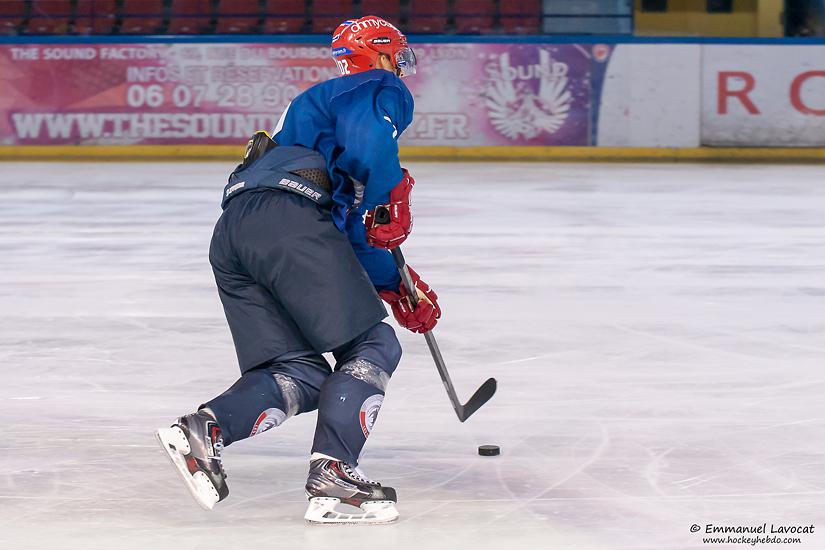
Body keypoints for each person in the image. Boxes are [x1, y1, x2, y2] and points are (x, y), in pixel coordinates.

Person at [156, 16, 440, 525]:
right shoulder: (376, 85)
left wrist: (398, 286)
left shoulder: (308, 121)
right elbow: (369, 148)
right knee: (373, 345)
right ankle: (333, 479)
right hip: (289, 222)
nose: (400, 68)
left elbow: (343, 233)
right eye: (397, 56)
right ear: (380, 54)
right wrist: (390, 195)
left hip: (237, 232)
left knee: (300, 374)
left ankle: (204, 429)